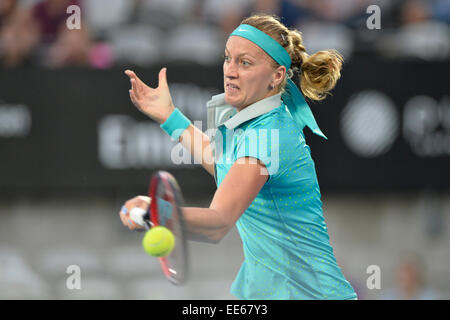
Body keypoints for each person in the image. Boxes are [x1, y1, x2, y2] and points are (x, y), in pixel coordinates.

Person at [120, 13, 357, 300]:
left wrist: (155, 214)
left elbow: (218, 223)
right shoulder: (251, 119)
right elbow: (223, 163)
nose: (230, 71)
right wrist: (169, 117)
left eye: (245, 63)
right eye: (227, 58)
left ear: (277, 76)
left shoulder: (270, 133)